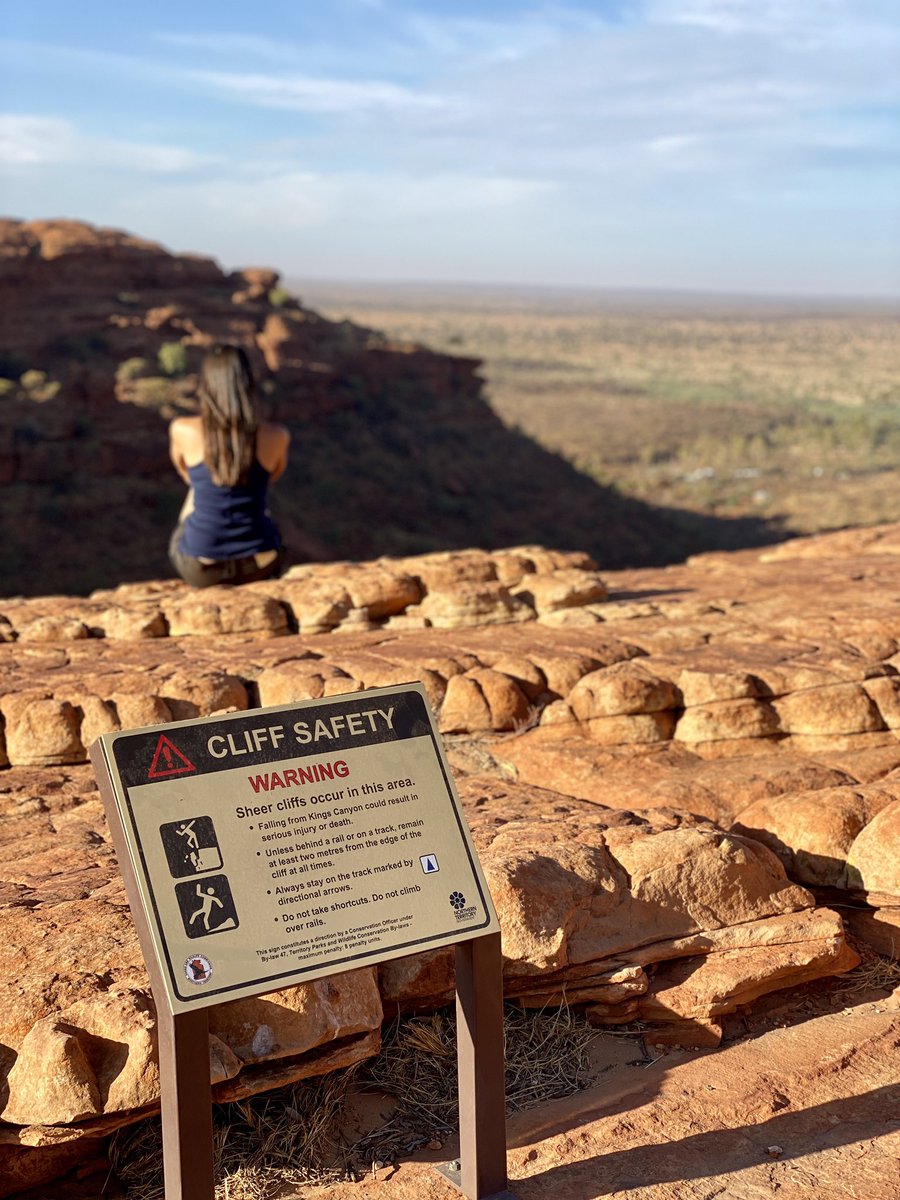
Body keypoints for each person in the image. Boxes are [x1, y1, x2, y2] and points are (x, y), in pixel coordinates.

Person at [168, 344, 290, 588]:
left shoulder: (183, 429)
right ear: (248, 383)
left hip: (201, 569)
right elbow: (272, 477)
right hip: (260, 563)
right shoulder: (277, 436)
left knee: (198, 491)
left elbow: (187, 475)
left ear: (206, 383)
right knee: (256, 497)